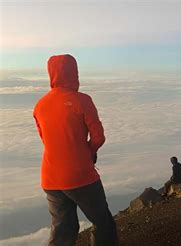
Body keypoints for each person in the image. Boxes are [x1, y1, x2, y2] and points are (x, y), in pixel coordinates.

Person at [33, 54, 118, 245]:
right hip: (80, 175)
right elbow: (98, 137)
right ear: (74, 73)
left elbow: (46, 140)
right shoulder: (82, 100)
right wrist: (88, 152)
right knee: (103, 223)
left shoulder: (40, 105)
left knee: (63, 229)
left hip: (50, 177)